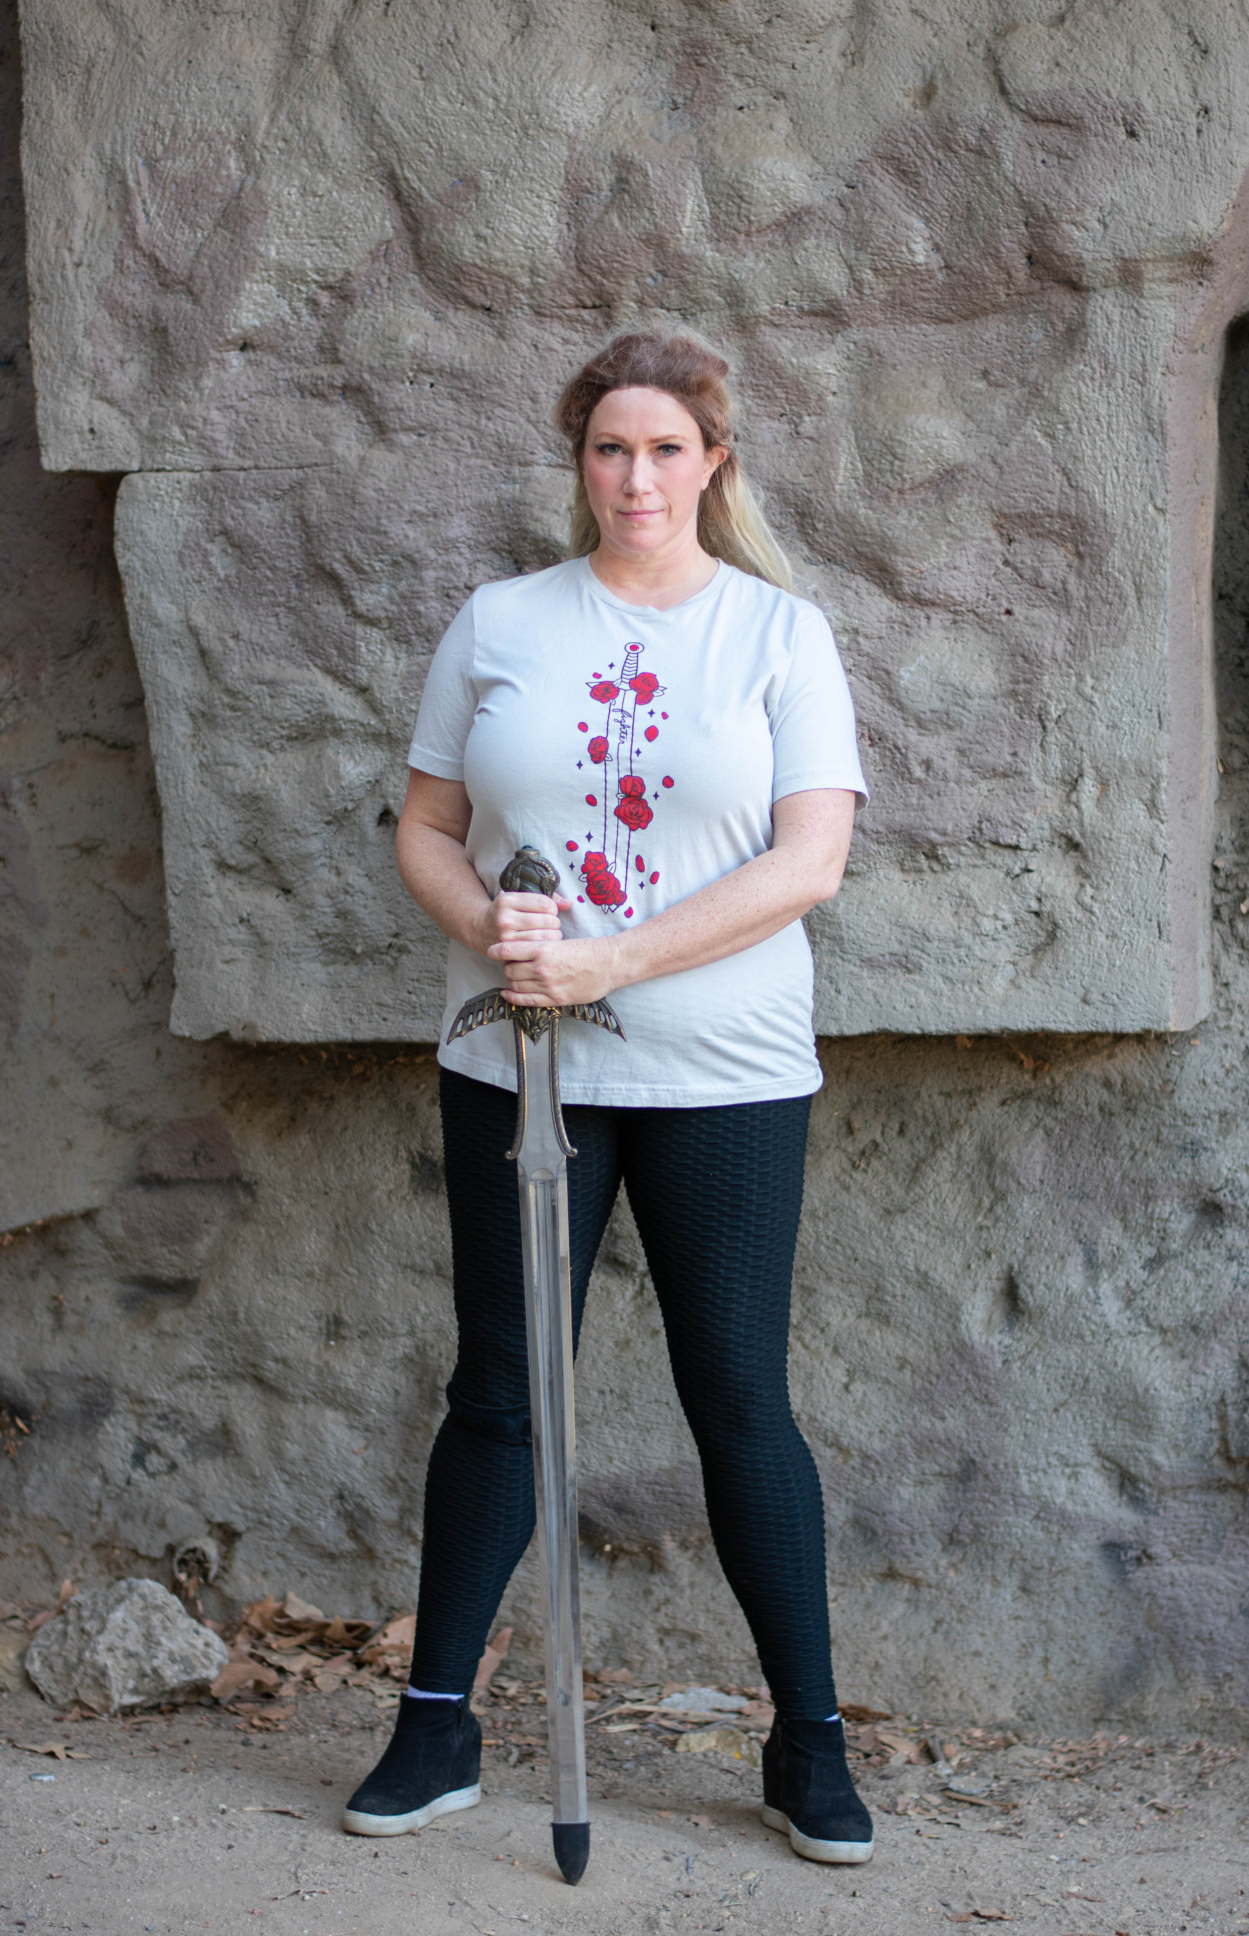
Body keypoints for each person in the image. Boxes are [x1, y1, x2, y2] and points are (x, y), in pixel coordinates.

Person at [343, 330, 872, 1865]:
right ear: (577, 464)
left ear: (715, 461)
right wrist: (493, 932)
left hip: (725, 1072)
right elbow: (429, 826)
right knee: (501, 1395)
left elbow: (807, 863)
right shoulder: (501, 621)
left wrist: (613, 957)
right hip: (521, 1068)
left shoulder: (780, 634)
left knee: (738, 1400)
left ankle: (809, 1745)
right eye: (606, 449)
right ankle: (434, 1722)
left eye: (664, 448)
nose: (635, 477)